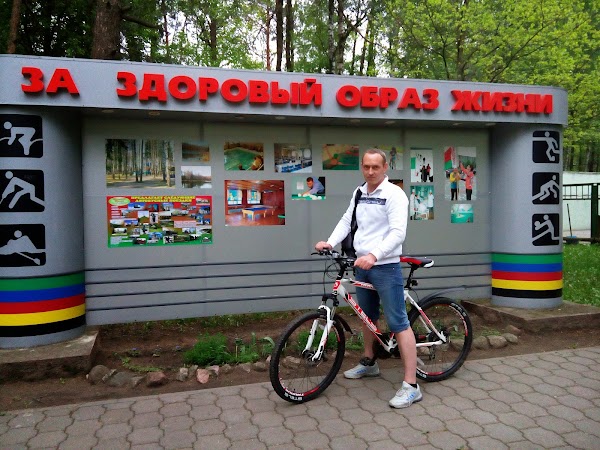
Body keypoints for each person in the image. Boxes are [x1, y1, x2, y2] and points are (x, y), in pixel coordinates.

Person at [314, 148, 422, 409]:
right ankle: (369, 362)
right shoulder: (360, 192)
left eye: (376, 167)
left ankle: (411, 386)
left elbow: (398, 232)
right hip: (361, 264)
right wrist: (330, 242)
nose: (370, 171)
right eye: (366, 166)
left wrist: (375, 255)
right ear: (362, 167)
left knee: (399, 323)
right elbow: (346, 221)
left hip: (384, 266)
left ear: (385, 168)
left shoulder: (394, 194)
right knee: (367, 317)